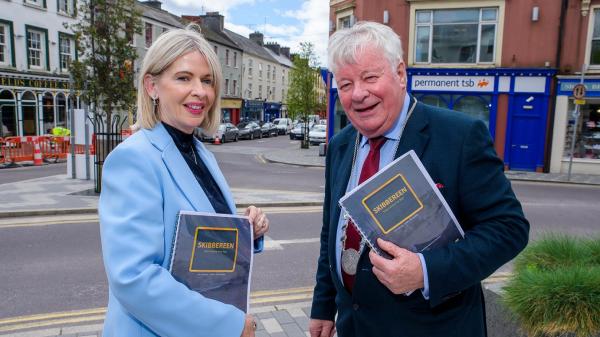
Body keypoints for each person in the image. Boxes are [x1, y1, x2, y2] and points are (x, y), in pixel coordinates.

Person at [309, 22, 529, 337]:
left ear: (400, 74)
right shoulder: (340, 146)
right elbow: (331, 234)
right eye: (345, 84)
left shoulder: (461, 136)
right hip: (354, 327)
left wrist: (425, 272)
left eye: (370, 77)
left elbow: (509, 229)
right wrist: (323, 306)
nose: (358, 94)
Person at [99, 25, 269, 337]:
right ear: (152, 86)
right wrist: (229, 325)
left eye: (207, 81)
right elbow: (134, 278)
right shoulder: (134, 159)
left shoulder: (200, 153)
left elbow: (199, 238)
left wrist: (247, 228)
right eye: (183, 78)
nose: (200, 91)